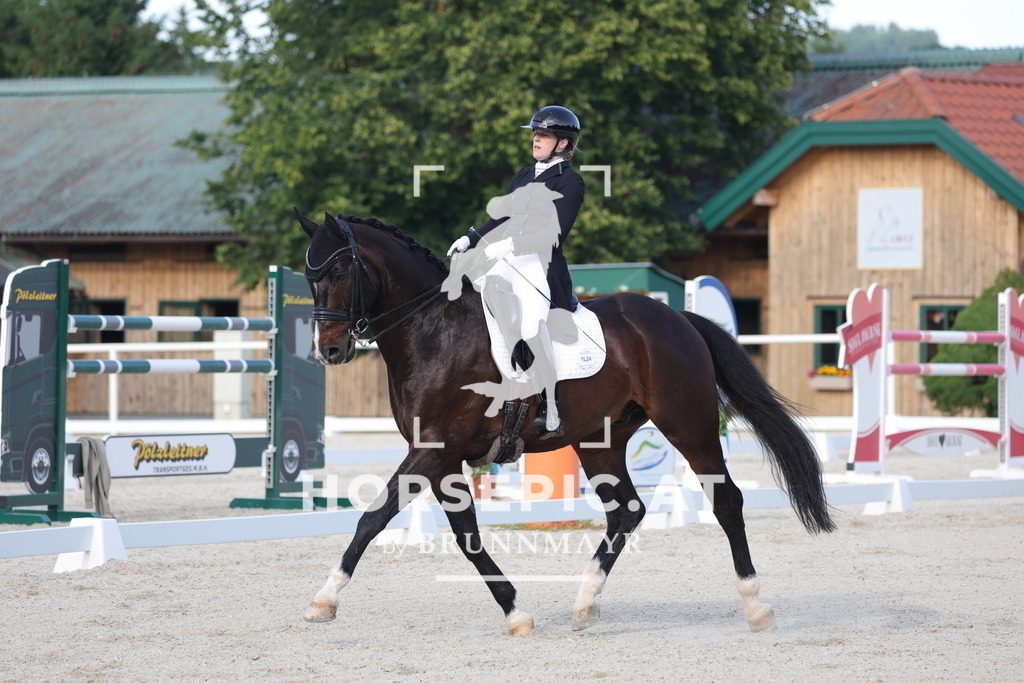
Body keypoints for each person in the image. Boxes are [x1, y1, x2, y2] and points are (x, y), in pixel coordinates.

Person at [446, 105, 585, 438]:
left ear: (563, 144)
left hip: (540, 265)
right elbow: (501, 219)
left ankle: (550, 407)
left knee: (530, 318)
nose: (536, 140)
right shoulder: (523, 175)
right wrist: (470, 237)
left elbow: (555, 234)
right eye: (535, 134)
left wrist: (509, 246)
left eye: (544, 135)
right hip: (504, 259)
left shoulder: (571, 182)